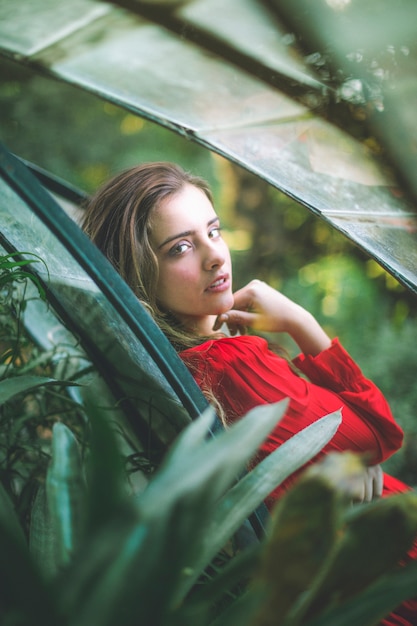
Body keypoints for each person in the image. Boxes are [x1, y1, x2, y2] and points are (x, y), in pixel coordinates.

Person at [82, 161, 416, 625]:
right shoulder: (231, 366)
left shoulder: (178, 370)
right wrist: (302, 323)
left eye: (213, 232)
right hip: (389, 579)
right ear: (138, 273)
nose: (215, 256)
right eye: (180, 247)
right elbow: (380, 434)